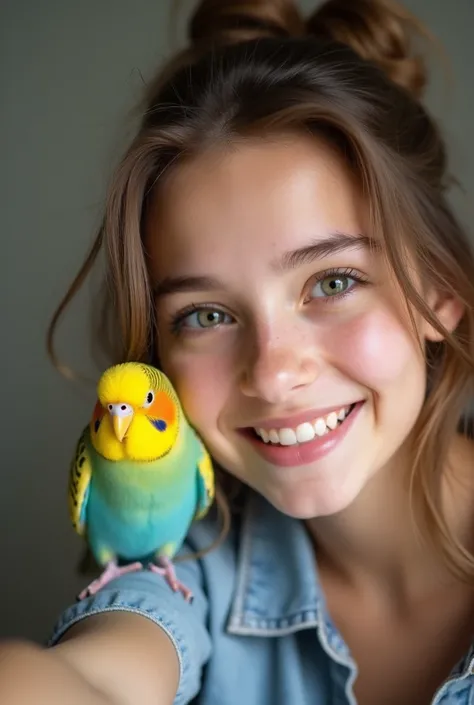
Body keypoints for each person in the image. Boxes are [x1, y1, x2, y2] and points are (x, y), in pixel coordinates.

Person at [1, 0, 474, 703]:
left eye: (332, 281)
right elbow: (93, 675)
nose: (276, 371)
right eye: (207, 314)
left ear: (439, 289)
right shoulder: (189, 565)